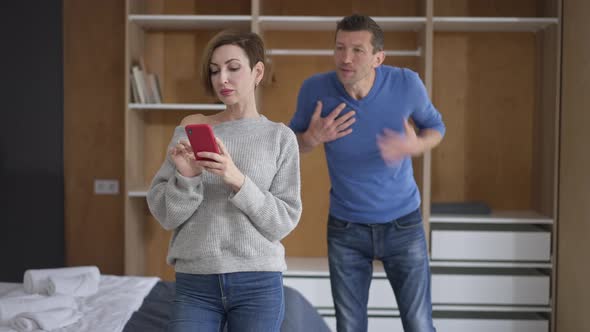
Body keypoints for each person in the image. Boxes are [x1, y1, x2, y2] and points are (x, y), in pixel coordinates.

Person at [289, 14, 445, 332]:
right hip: (347, 229)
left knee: (418, 323)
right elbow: (290, 145)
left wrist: (414, 146)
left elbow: (436, 127)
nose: (345, 58)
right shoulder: (314, 90)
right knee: (350, 326)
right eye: (340, 48)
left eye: (357, 50)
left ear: (378, 57)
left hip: (404, 224)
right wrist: (310, 138)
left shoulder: (406, 84)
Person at [147, 30, 302, 332]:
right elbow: (166, 216)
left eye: (233, 68)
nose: (222, 79)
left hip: (258, 282)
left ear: (258, 71)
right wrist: (187, 177)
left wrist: (236, 179)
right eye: (215, 70)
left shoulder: (280, 137)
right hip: (195, 282)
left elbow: (283, 221)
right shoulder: (190, 130)